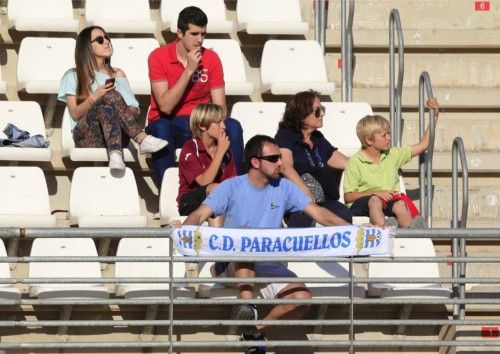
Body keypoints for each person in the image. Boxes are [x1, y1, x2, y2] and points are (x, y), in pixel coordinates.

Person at [183, 135, 350, 353]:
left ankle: (255, 332)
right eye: (273, 158)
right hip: (232, 265)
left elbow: (319, 213)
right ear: (255, 162)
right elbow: (199, 214)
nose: (280, 162)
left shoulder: (285, 187)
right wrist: (185, 228)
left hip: (269, 265)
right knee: (248, 246)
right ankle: (248, 307)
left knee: (302, 300)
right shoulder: (231, 186)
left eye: (280, 157)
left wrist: (354, 230)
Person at [147, 6, 244, 186]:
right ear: (180, 33)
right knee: (161, 129)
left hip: (201, 122)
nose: (200, 39)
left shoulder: (211, 58)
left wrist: (207, 123)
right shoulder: (158, 57)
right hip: (169, 122)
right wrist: (190, 69)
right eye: (194, 34)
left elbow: (220, 108)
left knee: (233, 126)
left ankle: (235, 190)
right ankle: (168, 197)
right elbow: (165, 106)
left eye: (203, 34)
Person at [58, 26, 167, 171]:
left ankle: (115, 154)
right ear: (87, 47)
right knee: (107, 96)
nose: (106, 42)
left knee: (108, 104)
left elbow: (134, 111)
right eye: (100, 40)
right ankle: (141, 138)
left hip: (120, 133)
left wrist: (118, 107)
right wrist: (96, 96)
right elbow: (75, 114)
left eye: (107, 38)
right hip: (88, 136)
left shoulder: (118, 74)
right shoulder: (72, 76)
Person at [343, 98, 440, 227]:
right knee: (374, 200)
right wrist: (375, 192)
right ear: (369, 140)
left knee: (400, 205)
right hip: (364, 204)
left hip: (388, 201)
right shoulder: (355, 162)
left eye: (389, 134)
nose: (389, 138)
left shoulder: (392, 154)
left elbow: (423, 145)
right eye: (384, 135)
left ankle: (409, 234)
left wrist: (435, 115)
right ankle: (385, 233)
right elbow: (348, 197)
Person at [275, 90, 353, 227]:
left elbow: (345, 162)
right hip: (297, 198)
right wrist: (306, 193)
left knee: (343, 213)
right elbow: (285, 167)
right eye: (317, 111)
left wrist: (374, 163)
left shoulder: (317, 137)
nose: (322, 114)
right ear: (302, 115)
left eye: (322, 109)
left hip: (323, 198)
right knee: (302, 217)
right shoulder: (285, 135)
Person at [177, 103, 237, 227]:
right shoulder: (190, 148)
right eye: (218, 122)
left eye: (223, 122)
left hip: (220, 198)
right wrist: (220, 152)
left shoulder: (226, 150)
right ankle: (217, 242)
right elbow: (204, 181)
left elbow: (233, 183)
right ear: (203, 125)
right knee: (216, 189)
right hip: (190, 203)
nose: (224, 126)